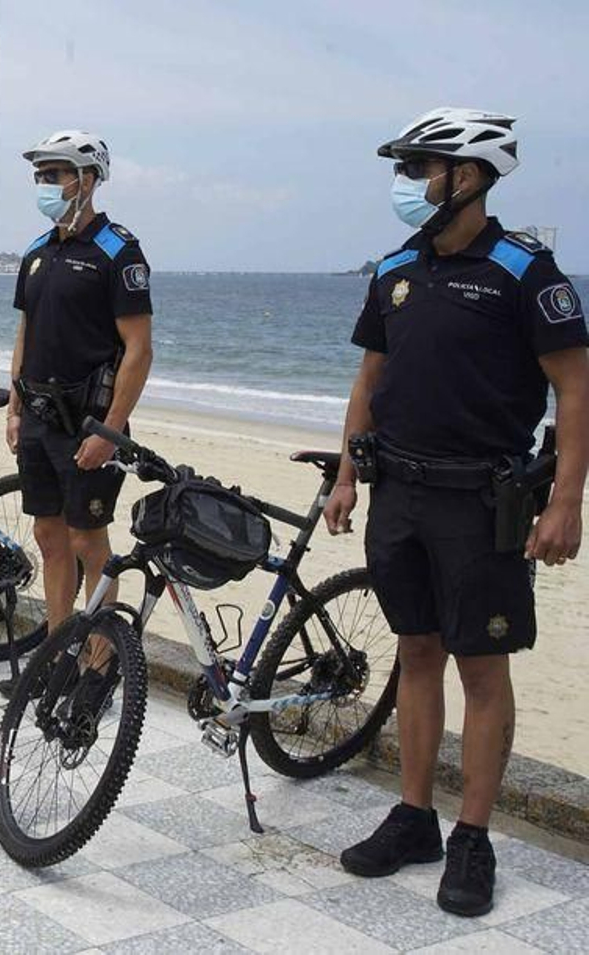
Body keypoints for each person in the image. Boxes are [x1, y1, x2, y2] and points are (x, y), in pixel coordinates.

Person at [324, 108, 587, 918]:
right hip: (398, 494)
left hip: (481, 503)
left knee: (481, 666)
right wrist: (345, 475)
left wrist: (568, 501)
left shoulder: (524, 271)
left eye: (418, 168)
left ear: (465, 177)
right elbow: (370, 379)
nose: (406, 183)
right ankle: (415, 817)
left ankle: (473, 835)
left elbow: (575, 386)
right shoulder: (396, 268)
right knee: (416, 651)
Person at [5, 130, 154, 673]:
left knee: (89, 542)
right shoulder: (37, 252)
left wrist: (110, 431)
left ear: (87, 179)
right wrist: (14, 406)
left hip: (90, 424)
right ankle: (56, 655)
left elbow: (139, 349)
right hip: (38, 417)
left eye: (55, 174)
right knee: (49, 536)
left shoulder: (118, 251)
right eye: (40, 175)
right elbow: (26, 333)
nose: (45, 184)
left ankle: (98, 664)